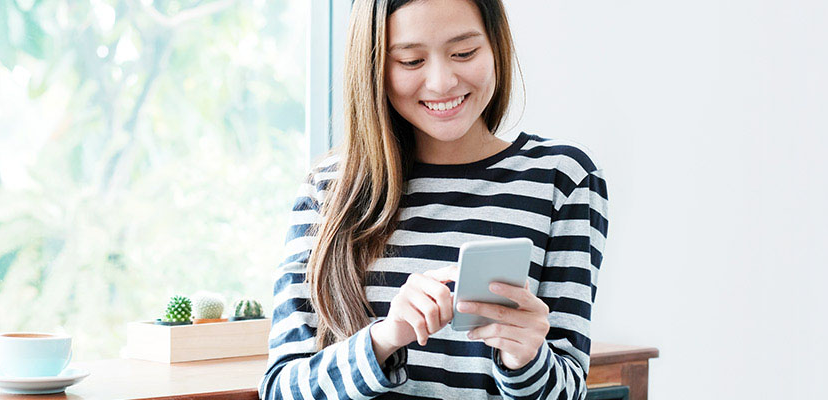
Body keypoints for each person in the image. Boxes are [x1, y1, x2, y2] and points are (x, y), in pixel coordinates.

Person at [258, 0, 608, 399]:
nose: (442, 82)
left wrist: (525, 360)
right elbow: (280, 390)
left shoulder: (561, 180)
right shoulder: (329, 188)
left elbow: (568, 388)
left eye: (464, 53)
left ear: (496, 46)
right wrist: (385, 339)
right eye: (410, 61)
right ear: (374, 67)